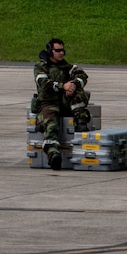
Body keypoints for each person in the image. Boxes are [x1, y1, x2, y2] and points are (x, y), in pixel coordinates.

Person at [32, 37, 92, 170]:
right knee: (52, 126)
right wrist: (62, 86)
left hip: (64, 101)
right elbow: (43, 83)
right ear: (50, 51)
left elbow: (82, 75)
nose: (61, 53)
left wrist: (73, 85)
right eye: (58, 51)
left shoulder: (67, 67)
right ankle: (53, 155)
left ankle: (81, 123)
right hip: (49, 103)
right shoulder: (41, 67)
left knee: (79, 93)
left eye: (63, 51)